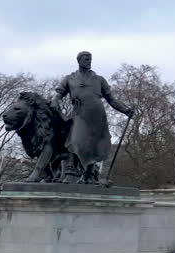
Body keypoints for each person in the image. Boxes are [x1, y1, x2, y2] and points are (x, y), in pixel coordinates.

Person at [51, 51, 134, 185]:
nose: (88, 61)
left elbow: (111, 99)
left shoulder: (99, 79)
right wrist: (55, 100)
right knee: (74, 140)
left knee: (94, 145)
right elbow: (59, 93)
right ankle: (70, 171)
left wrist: (125, 110)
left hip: (97, 114)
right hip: (79, 113)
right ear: (78, 61)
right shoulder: (69, 78)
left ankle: (89, 175)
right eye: (85, 59)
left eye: (90, 59)